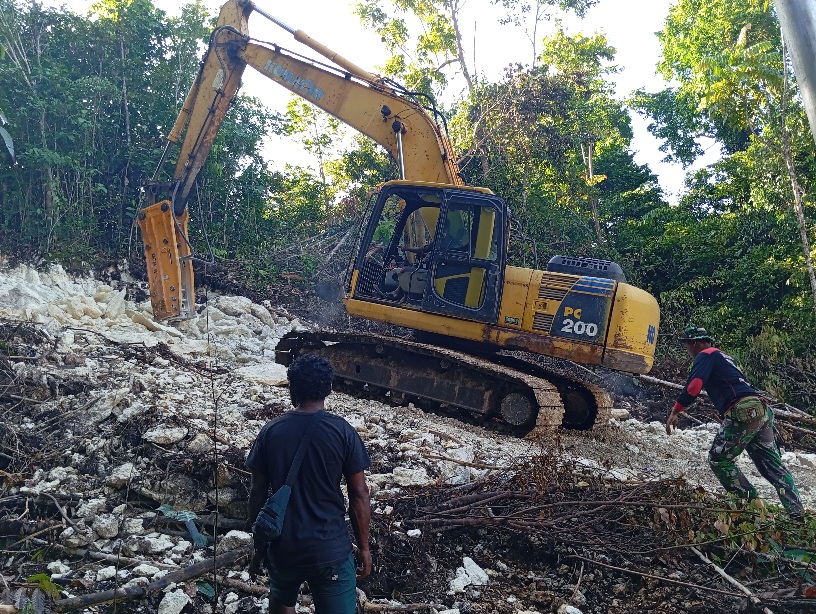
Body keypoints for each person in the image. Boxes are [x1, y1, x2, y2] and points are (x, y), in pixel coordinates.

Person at [246, 354, 372, 614]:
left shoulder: (271, 432)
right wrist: (364, 548)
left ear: (292, 388)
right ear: (329, 388)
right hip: (330, 550)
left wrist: (259, 548)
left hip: (284, 548)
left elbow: (257, 494)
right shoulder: (343, 432)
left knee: (281, 605)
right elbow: (359, 494)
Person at [666, 326, 804, 516]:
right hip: (761, 409)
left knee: (718, 459)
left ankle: (752, 508)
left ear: (694, 343)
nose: (687, 351)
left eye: (686, 346)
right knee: (773, 467)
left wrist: (676, 410)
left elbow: (694, 387)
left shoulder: (705, 355)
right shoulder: (727, 358)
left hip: (744, 411)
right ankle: (797, 517)